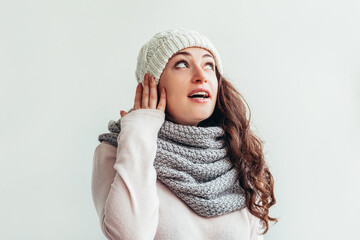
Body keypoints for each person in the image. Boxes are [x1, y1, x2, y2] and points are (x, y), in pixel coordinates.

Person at [91, 28, 277, 240]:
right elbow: (130, 235)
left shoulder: (238, 152)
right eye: (182, 64)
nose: (201, 77)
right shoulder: (116, 149)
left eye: (209, 65)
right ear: (152, 83)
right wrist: (141, 130)